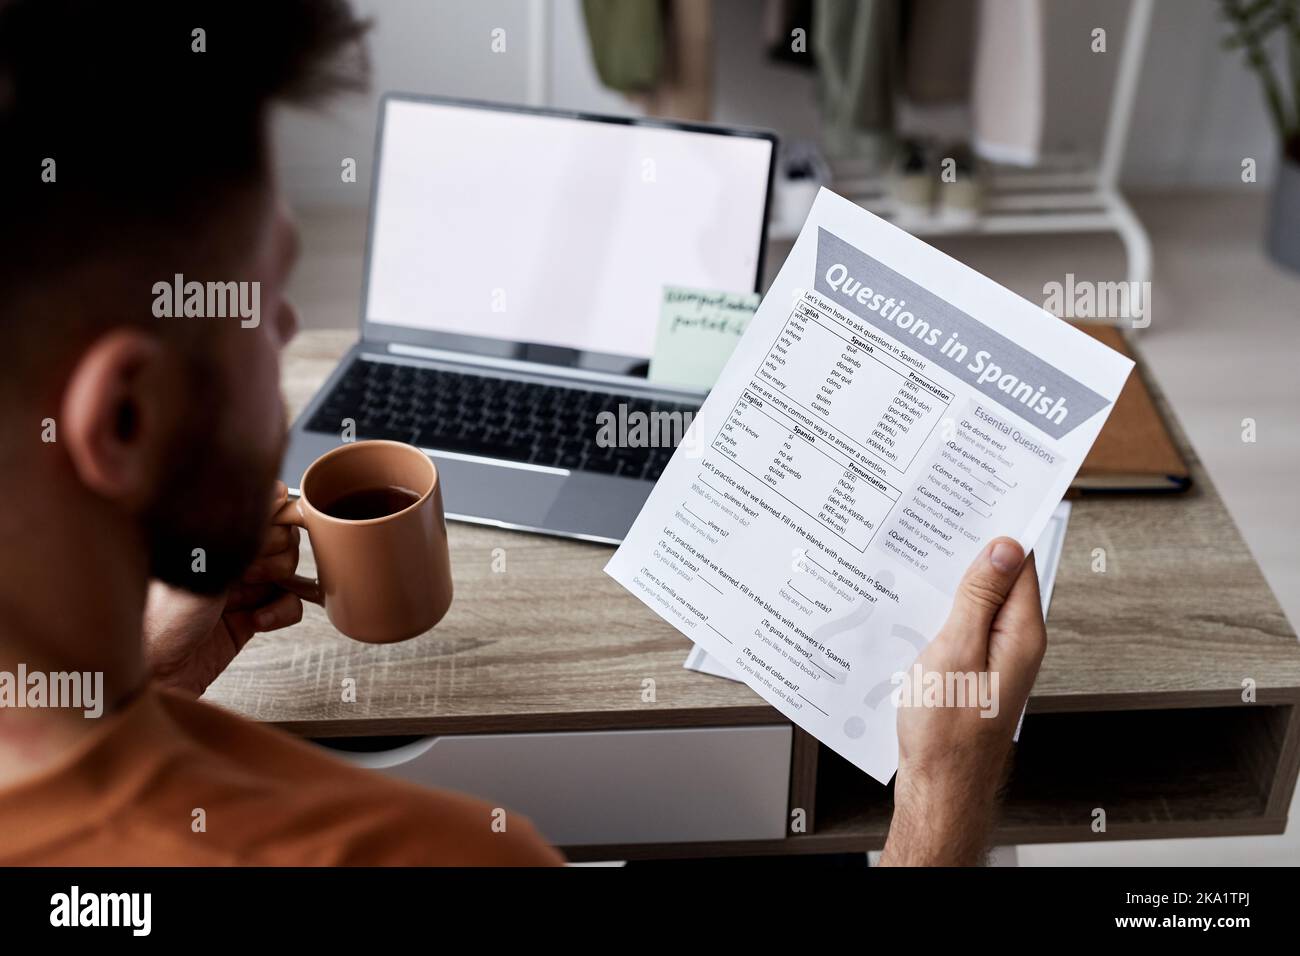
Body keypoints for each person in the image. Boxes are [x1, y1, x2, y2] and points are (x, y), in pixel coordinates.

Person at [0, 0, 1044, 867]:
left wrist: (147, 678)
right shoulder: (425, 852)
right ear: (124, 418)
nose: (287, 329)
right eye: (266, 295)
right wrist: (938, 814)